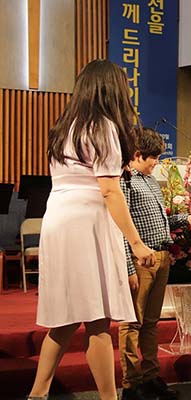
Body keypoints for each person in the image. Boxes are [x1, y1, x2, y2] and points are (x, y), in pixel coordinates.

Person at [27, 59, 156, 400]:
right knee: (98, 320)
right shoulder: (103, 127)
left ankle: (37, 395)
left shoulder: (65, 126)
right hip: (86, 220)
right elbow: (110, 190)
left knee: (67, 319)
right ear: (112, 90)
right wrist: (137, 243)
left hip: (58, 217)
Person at [119, 128, 191, 400]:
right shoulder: (126, 181)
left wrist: (186, 219)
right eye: (153, 157)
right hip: (140, 259)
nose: (156, 162)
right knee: (132, 323)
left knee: (151, 322)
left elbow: (160, 223)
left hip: (161, 255)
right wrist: (127, 266)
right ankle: (130, 385)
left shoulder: (151, 181)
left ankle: (150, 378)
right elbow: (120, 227)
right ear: (136, 154)